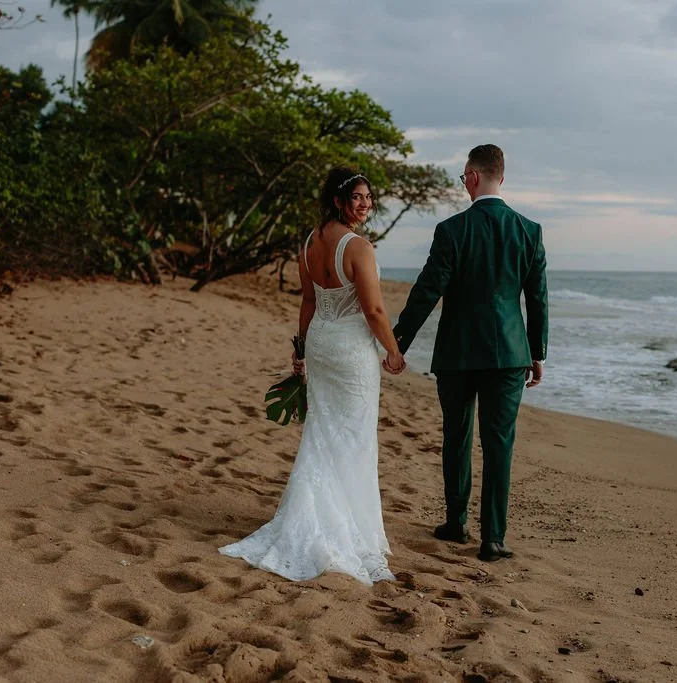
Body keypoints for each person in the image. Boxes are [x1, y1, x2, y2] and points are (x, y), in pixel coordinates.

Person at [219, 167, 405, 585]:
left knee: (323, 431)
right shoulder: (359, 247)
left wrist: (302, 346)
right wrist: (392, 351)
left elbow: (309, 300)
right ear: (339, 200)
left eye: (369, 198)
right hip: (351, 350)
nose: (366, 205)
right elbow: (374, 312)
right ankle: (352, 535)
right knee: (354, 437)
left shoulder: (308, 243)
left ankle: (314, 516)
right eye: (358, 197)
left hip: (322, 341)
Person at [393, 144, 548, 562]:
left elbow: (427, 291)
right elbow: (537, 300)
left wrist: (397, 343)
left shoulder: (452, 231)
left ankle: (456, 522)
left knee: (457, 437)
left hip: (458, 354)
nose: (464, 185)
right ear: (502, 177)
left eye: (463, 178)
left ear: (474, 177)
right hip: (509, 356)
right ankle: (493, 538)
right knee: (499, 444)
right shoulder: (529, 231)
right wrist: (539, 353)